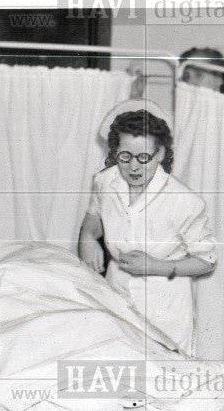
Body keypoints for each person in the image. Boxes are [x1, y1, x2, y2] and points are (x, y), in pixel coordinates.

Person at [78, 101, 216, 353]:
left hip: (164, 313)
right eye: (125, 156)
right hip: (116, 298)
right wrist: (87, 238)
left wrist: (155, 266)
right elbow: (94, 216)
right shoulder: (105, 182)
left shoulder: (184, 201)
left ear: (160, 153)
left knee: (160, 384)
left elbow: (206, 260)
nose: (133, 167)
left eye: (144, 157)